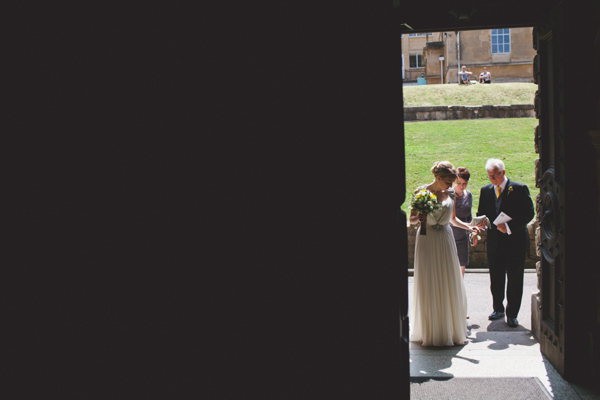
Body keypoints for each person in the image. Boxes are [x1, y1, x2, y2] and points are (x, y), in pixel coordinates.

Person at [410, 161, 480, 346]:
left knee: (449, 279)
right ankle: (431, 330)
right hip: (428, 239)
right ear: (438, 178)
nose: (451, 186)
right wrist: (420, 217)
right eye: (448, 182)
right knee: (430, 280)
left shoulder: (449, 193)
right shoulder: (421, 192)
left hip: (446, 239)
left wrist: (469, 227)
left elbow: (453, 219)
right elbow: (411, 219)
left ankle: (450, 328)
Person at [476, 158, 535, 328]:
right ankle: (498, 308)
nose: (492, 179)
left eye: (495, 175)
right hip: (495, 241)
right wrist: (480, 224)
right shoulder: (485, 190)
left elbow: (529, 213)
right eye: (489, 176)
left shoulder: (518, 188)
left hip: (515, 240)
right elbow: (482, 212)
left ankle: (512, 314)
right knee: (496, 276)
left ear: (504, 172)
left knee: (515, 277)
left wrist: (509, 226)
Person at [451, 167, 474, 277]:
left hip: (462, 238)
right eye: (458, 183)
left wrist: (473, 233)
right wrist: (468, 227)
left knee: (461, 272)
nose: (461, 186)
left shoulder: (468, 195)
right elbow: (452, 218)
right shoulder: (449, 195)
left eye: (464, 183)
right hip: (450, 237)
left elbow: (469, 216)